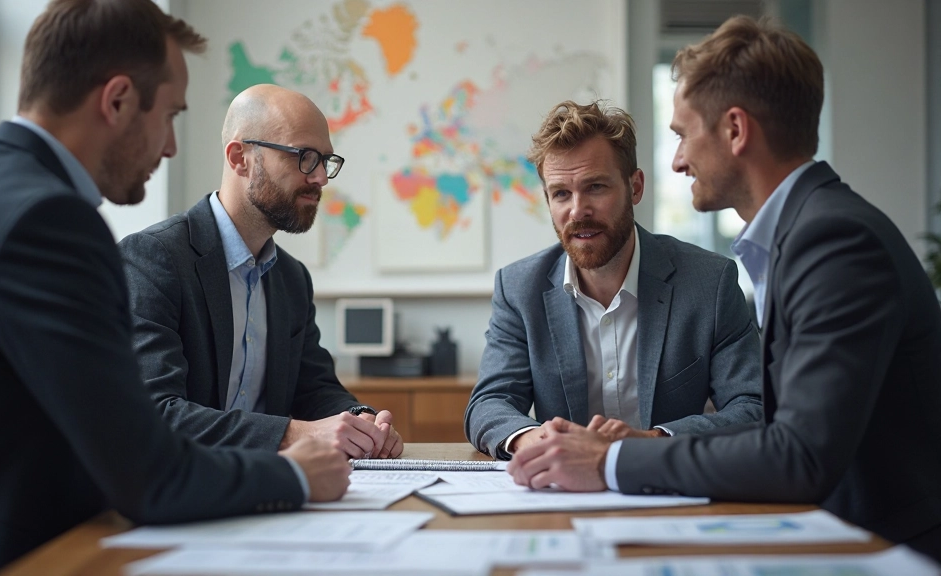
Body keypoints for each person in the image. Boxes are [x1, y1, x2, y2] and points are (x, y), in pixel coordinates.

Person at [0, 2, 350, 574]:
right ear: (118, 100)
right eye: (169, 115)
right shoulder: (46, 222)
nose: (171, 147)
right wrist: (296, 473)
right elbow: (148, 471)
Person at [507, 16, 941, 560]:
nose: (678, 160)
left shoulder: (832, 240)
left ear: (735, 131)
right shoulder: (809, 229)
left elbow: (798, 456)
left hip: (890, 547)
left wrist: (607, 460)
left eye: (684, 134)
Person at [465, 100, 763, 459]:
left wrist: (652, 443)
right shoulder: (518, 289)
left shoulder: (709, 282)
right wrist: (536, 441)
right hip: (562, 494)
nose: (578, 211)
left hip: (667, 488)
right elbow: (490, 402)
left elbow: (753, 407)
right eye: (561, 193)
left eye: (596, 187)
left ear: (634, 187)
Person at [118, 84, 403, 459]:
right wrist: (293, 434)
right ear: (240, 158)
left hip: (271, 493)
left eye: (325, 161)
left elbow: (314, 391)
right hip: (182, 494)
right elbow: (156, 412)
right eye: (304, 157)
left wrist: (360, 422)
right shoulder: (154, 258)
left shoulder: (292, 278)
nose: (320, 178)